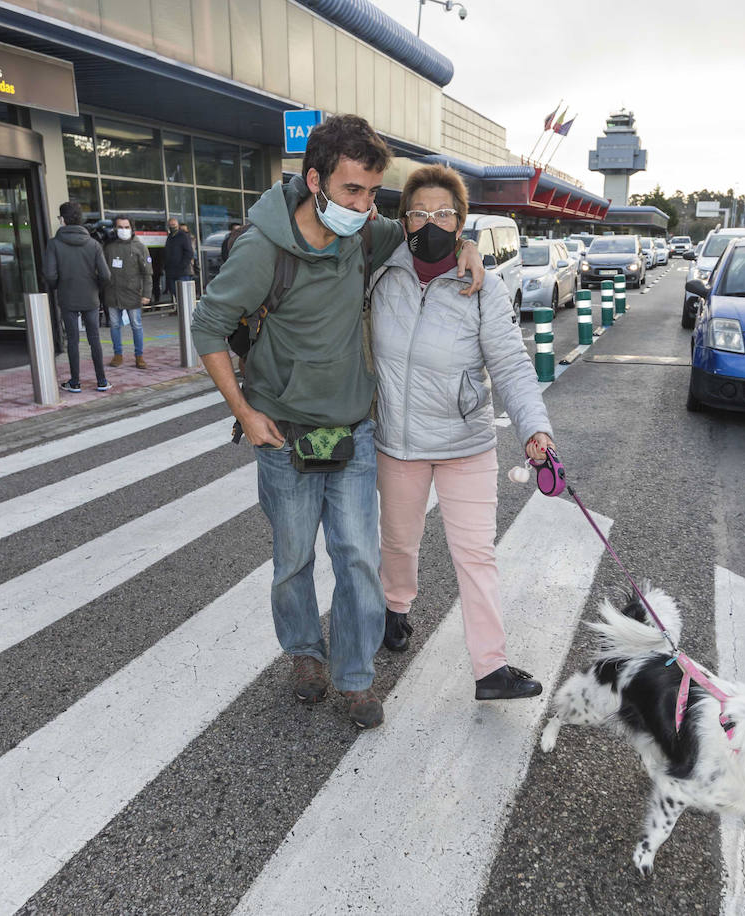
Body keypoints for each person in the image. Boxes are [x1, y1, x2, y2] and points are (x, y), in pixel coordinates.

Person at [190, 114, 485, 729]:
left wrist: (470, 244)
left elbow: (427, 233)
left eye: (373, 193)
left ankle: (354, 677)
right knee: (293, 558)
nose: (364, 206)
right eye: (352, 191)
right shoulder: (262, 248)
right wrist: (243, 411)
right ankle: (304, 654)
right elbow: (208, 326)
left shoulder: (364, 235)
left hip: (352, 431)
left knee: (355, 558)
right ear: (315, 178)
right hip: (283, 437)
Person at [369, 164, 554, 700]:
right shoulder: (381, 271)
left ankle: (491, 668)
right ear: (403, 220)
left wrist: (534, 430)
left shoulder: (482, 286)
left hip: (465, 445)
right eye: (420, 212)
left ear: (461, 221)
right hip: (398, 443)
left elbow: (513, 366)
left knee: (476, 555)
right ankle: (396, 609)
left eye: (444, 213)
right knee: (398, 543)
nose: (432, 222)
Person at [43, 201, 112, 393]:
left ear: (63, 219)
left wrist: (60, 286)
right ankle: (101, 381)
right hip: (90, 297)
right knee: (94, 338)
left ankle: (75, 382)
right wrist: (95, 288)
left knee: (73, 340)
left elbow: (49, 274)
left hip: (67, 298)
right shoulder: (94, 244)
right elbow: (106, 275)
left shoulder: (54, 244)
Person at [103, 215, 152, 369]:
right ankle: (118, 355)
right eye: (120, 227)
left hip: (133, 294)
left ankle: (139, 356)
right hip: (113, 293)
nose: (123, 230)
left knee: (136, 325)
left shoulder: (140, 247)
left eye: (126, 227)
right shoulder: (109, 247)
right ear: (115, 228)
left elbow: (147, 273)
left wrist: (146, 294)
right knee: (114, 325)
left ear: (132, 228)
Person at [163, 217, 196, 301]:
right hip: (171, 272)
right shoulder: (170, 237)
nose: (172, 227)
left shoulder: (183, 236)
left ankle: (187, 313)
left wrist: (182, 266)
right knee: (177, 295)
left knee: (185, 297)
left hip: (182, 272)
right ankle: (180, 311)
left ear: (178, 225)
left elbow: (189, 253)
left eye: (174, 225)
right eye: (170, 225)